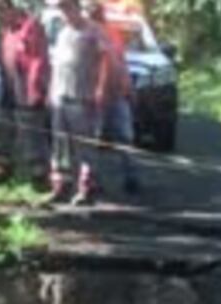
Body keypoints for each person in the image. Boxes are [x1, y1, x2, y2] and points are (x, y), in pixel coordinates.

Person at [47, 0, 109, 205]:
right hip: (60, 96)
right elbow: (56, 66)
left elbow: (106, 60)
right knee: (60, 145)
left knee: (84, 145)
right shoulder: (62, 33)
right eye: (61, 9)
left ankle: (86, 188)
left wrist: (100, 88)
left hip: (82, 98)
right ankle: (61, 186)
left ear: (75, 7)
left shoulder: (93, 31)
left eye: (66, 7)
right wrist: (51, 92)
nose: (63, 12)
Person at [0, 0, 50, 188]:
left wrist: (35, 89)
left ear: (10, 8)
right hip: (9, 86)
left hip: (28, 87)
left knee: (32, 130)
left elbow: (38, 60)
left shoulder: (31, 27)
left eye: (0, 13)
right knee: (3, 125)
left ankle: (38, 173)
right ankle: (3, 166)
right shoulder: (5, 30)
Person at [88, 1, 140, 194]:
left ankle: (131, 177)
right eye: (94, 14)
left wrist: (129, 89)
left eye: (99, 14)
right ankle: (92, 179)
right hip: (96, 95)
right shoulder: (88, 36)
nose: (98, 17)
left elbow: (121, 63)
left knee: (125, 137)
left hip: (117, 94)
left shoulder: (113, 34)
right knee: (95, 138)